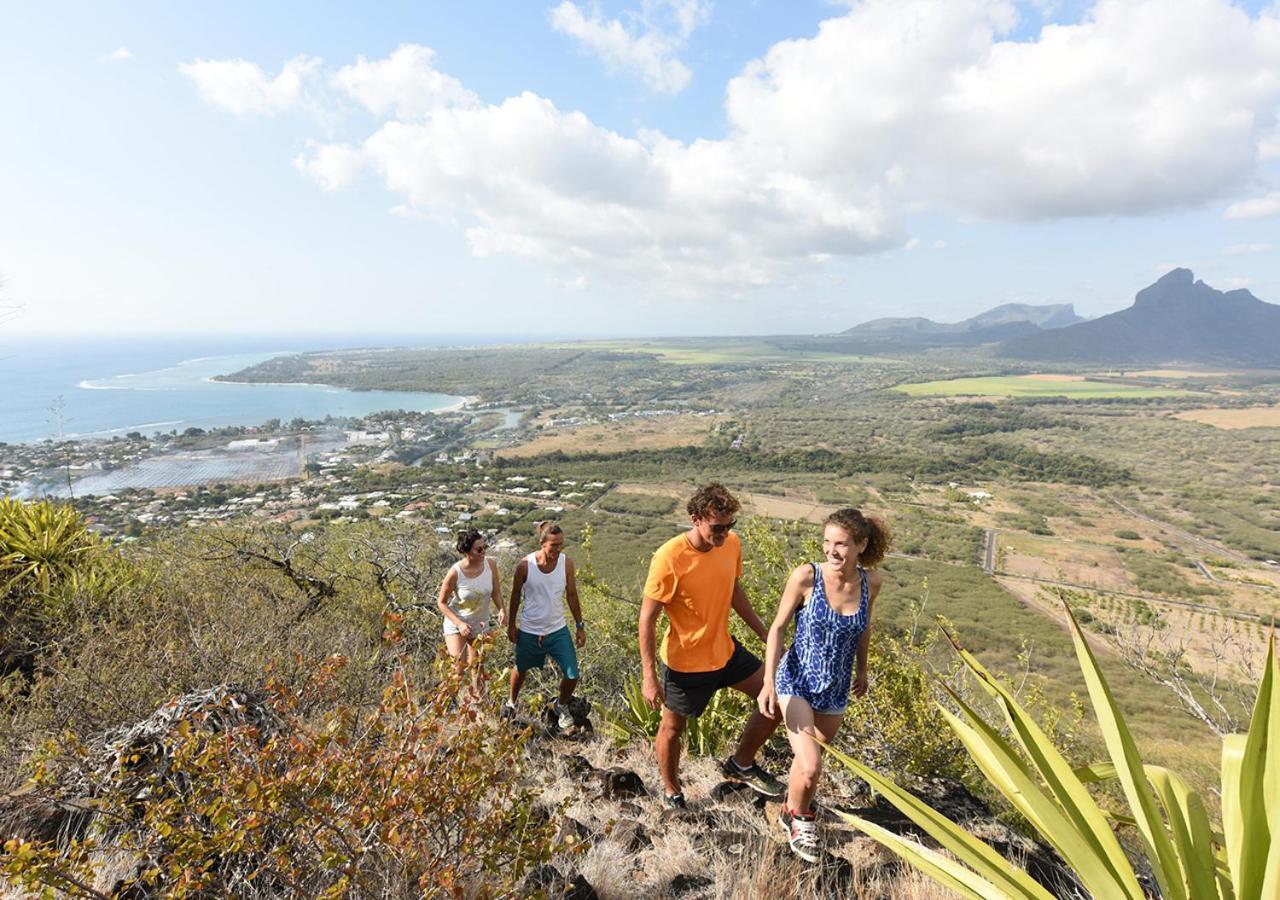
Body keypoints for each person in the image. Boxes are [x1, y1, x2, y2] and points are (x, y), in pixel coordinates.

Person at [638, 482, 784, 810]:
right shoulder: (669, 557)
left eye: (729, 525)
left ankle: (741, 763)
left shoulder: (731, 544)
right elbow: (646, 620)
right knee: (672, 729)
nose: (724, 533)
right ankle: (672, 789)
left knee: (777, 699)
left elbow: (733, 590)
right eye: (717, 527)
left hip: (726, 652)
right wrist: (649, 676)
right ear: (695, 519)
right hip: (685, 664)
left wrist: (765, 634)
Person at [758, 508, 888, 862]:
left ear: (861, 545)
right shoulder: (807, 577)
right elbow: (778, 628)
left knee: (806, 765)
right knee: (812, 765)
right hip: (796, 680)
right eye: (827, 542)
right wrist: (769, 683)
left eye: (842, 544)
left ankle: (789, 808)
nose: (832, 551)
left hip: (835, 689)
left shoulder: (871, 583)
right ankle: (802, 821)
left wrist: (863, 671)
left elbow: (864, 628)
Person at [505, 521, 586, 729]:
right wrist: (511, 625)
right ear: (542, 544)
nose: (558, 550)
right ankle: (511, 702)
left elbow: (572, 594)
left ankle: (559, 705)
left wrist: (579, 625)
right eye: (554, 545)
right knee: (521, 668)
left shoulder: (566, 564)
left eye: (561, 545)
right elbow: (515, 595)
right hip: (530, 629)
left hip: (557, 629)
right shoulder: (525, 566)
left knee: (572, 674)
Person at [437, 528, 504, 696]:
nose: (484, 552)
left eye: (485, 547)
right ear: (467, 551)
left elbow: (496, 591)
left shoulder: (490, 565)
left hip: (479, 623)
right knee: (458, 670)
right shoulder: (455, 572)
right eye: (479, 549)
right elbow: (441, 603)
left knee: (479, 667)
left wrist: (502, 609)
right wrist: (459, 623)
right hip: (457, 623)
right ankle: (445, 705)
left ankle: (480, 708)